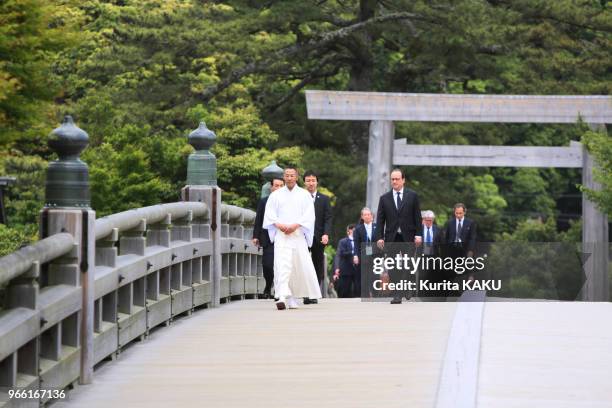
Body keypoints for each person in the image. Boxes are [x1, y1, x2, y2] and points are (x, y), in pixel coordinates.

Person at [263, 167, 322, 310]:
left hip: (297, 235)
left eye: (292, 175)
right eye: (287, 175)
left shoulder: (303, 195)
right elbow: (269, 214)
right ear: (284, 177)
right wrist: (279, 225)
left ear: (296, 177)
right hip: (282, 235)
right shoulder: (276, 195)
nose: (289, 178)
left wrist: (296, 225)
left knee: (297, 266)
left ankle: (293, 297)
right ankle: (282, 296)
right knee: (282, 265)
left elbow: (309, 216)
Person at [374, 168, 422, 304]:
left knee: (407, 265)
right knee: (394, 267)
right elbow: (380, 220)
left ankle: (407, 285)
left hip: (409, 236)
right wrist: (379, 237)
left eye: (397, 179)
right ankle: (397, 294)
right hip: (392, 237)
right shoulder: (384, 199)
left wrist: (419, 234)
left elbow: (417, 217)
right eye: (392, 179)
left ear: (403, 180)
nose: (394, 181)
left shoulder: (412, 196)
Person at [252, 177, 284, 299]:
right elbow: (258, 219)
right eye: (276, 185)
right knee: (267, 265)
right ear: (271, 187)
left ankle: (278, 289)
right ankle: (268, 284)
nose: (279, 188)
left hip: (283, 236)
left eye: (281, 185)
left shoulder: (287, 202)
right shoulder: (264, 201)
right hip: (268, 237)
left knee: (281, 265)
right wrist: (255, 236)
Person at [303, 170, 332, 304]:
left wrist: (326, 234)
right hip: (302, 236)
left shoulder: (324, 199)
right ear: (304, 182)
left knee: (317, 265)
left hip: (318, 236)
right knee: (302, 264)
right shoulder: (300, 198)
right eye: (308, 180)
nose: (311, 183)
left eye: (313, 180)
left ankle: (314, 293)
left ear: (317, 182)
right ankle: (304, 293)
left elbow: (328, 218)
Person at [442, 203, 477, 295]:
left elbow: (472, 238)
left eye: (460, 213)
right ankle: (453, 292)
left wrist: (470, 250)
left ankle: (465, 292)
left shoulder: (470, 223)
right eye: (457, 213)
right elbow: (446, 238)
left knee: (465, 271)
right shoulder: (449, 223)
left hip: (465, 250)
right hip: (452, 251)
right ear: (454, 212)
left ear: (464, 212)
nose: (458, 215)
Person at [416, 210, 444, 298]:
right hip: (422, 256)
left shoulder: (438, 229)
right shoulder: (418, 229)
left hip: (434, 256)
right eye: (427, 220)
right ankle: (421, 295)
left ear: (433, 220)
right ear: (424, 219)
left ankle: (431, 295)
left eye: (430, 220)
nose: (428, 222)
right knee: (422, 276)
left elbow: (442, 244)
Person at [352, 207, 376, 297]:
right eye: (365, 215)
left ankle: (375, 293)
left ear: (371, 216)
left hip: (375, 255)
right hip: (363, 255)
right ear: (362, 217)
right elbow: (356, 244)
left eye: (368, 214)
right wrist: (355, 255)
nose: (367, 216)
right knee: (364, 276)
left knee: (375, 275)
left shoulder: (377, 227)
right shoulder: (358, 229)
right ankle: (365, 295)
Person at [336, 225, 357, 298]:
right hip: (346, 268)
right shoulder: (342, 241)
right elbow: (341, 253)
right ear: (348, 231)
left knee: (358, 289)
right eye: (352, 230)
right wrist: (353, 252)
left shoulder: (359, 240)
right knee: (345, 289)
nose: (354, 232)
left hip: (358, 268)